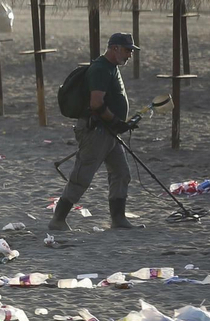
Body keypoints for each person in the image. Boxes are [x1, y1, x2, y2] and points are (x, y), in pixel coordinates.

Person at [51, 32, 142, 232]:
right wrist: (116, 121)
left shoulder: (111, 68)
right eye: (127, 50)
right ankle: (58, 219)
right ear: (115, 48)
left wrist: (119, 124)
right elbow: (96, 103)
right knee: (82, 176)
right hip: (97, 131)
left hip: (109, 131)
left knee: (121, 173)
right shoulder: (101, 69)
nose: (129, 55)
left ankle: (118, 219)